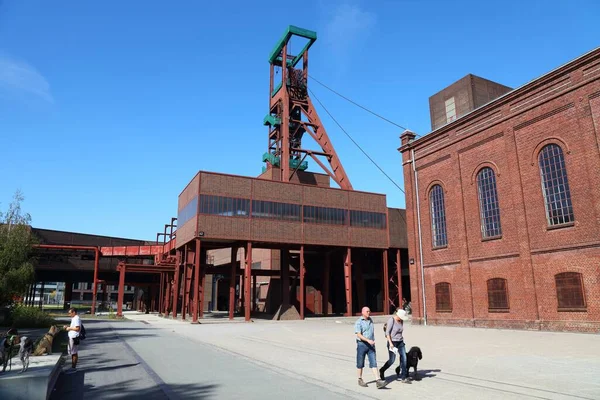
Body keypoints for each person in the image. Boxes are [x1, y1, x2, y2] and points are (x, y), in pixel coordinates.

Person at [354, 306, 385, 388]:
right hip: (362, 344)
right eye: (367, 311)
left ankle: (378, 380)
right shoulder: (359, 322)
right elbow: (358, 334)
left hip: (371, 345)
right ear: (362, 312)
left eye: (369, 311)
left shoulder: (370, 320)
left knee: (373, 362)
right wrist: (367, 340)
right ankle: (360, 379)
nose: (369, 313)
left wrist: (372, 341)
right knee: (360, 362)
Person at [379, 308, 411, 383]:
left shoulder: (401, 321)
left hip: (400, 342)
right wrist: (390, 343)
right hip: (392, 342)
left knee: (404, 358)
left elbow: (400, 331)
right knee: (392, 360)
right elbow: (387, 333)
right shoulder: (391, 320)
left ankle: (404, 377)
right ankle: (382, 370)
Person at [63, 307, 81, 374]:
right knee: (73, 352)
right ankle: (73, 367)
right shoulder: (74, 318)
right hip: (73, 337)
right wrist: (68, 327)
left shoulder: (76, 318)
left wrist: (69, 328)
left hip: (74, 337)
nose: (69, 314)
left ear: (74, 312)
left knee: (74, 352)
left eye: (70, 313)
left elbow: (77, 328)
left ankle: (73, 368)